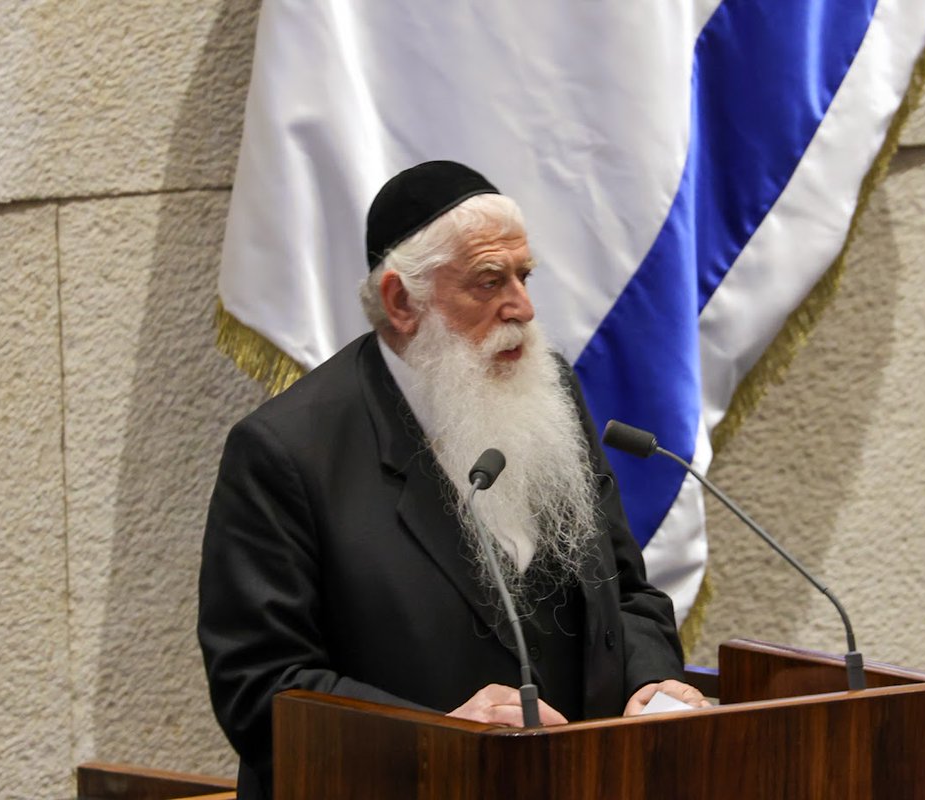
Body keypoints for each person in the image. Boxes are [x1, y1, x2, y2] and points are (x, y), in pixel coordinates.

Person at [198, 161, 705, 799]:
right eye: (488, 281)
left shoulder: (549, 394)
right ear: (400, 301)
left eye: (524, 276)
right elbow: (260, 686)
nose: (520, 307)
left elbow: (626, 593)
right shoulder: (286, 454)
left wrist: (652, 682)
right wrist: (433, 735)